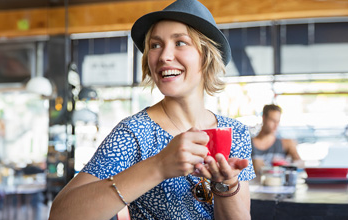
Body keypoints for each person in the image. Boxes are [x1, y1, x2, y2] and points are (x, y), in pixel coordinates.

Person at [49, 0, 255, 219]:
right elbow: (61, 214)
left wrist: (227, 185)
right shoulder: (135, 132)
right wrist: (159, 165)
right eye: (155, 45)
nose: (164, 56)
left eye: (180, 43)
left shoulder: (235, 132)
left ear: (206, 55)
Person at [251, 104, 302, 173]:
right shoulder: (248, 144)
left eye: (278, 121)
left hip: (277, 182)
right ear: (263, 118)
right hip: (255, 183)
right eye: (272, 120)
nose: (276, 125)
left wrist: (285, 164)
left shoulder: (286, 143)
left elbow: (300, 165)